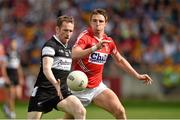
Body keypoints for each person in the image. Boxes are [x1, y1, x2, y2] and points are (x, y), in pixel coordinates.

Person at [72, 8, 153, 119]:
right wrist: (94, 48)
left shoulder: (108, 42)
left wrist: (137, 75)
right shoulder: (85, 37)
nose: (97, 24)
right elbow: (74, 54)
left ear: (106, 23)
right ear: (90, 22)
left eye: (101, 21)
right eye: (94, 21)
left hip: (97, 87)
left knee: (120, 111)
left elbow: (119, 60)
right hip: (78, 88)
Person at [27, 15, 86, 119]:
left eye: (71, 31)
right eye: (65, 30)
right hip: (44, 92)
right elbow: (46, 68)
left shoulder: (68, 48)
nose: (68, 34)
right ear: (57, 29)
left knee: (80, 111)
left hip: (62, 92)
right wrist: (55, 83)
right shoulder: (50, 46)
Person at [3, 40, 24, 119]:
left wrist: (21, 77)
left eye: (15, 44)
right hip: (9, 75)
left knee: (18, 95)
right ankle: (12, 112)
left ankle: (6, 105)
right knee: (11, 95)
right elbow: (3, 67)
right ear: (10, 45)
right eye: (13, 44)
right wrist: (6, 77)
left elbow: (19, 67)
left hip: (16, 75)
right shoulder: (7, 54)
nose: (14, 45)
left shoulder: (17, 54)